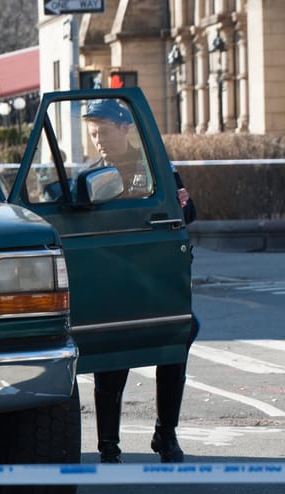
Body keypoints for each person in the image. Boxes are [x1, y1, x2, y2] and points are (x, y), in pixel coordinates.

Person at [82, 99, 199, 463]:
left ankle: (166, 433)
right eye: (93, 133)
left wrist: (184, 204)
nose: (98, 139)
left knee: (178, 336)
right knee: (110, 353)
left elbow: (187, 213)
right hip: (113, 281)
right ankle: (108, 444)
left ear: (123, 128)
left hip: (153, 281)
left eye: (103, 131)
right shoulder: (91, 175)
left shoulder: (156, 168)